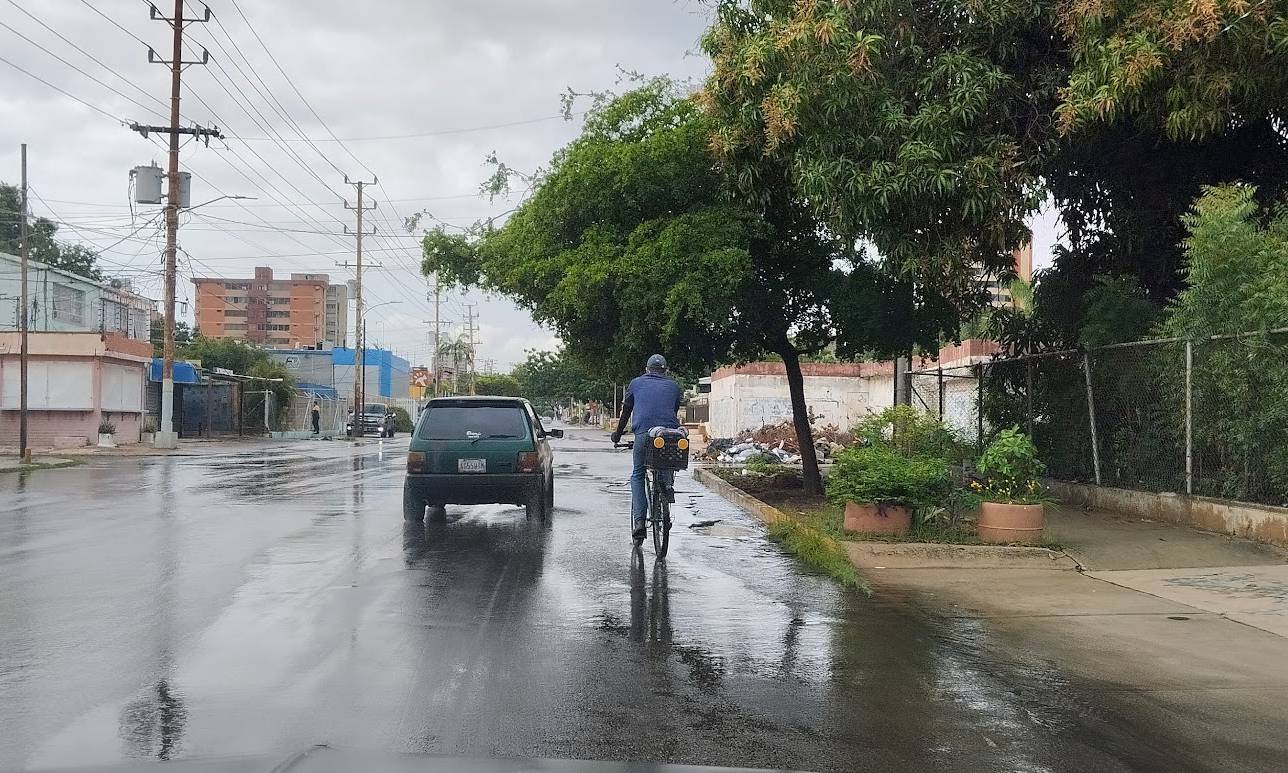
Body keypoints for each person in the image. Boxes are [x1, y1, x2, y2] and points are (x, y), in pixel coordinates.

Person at [611, 354, 683, 542]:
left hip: (644, 434)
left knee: (638, 473)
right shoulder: (674, 386)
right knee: (667, 463)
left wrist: (617, 435)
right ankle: (666, 488)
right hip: (668, 435)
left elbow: (626, 411)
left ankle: (640, 522)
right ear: (665, 371)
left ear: (646, 369)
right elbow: (672, 412)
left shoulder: (635, 383)